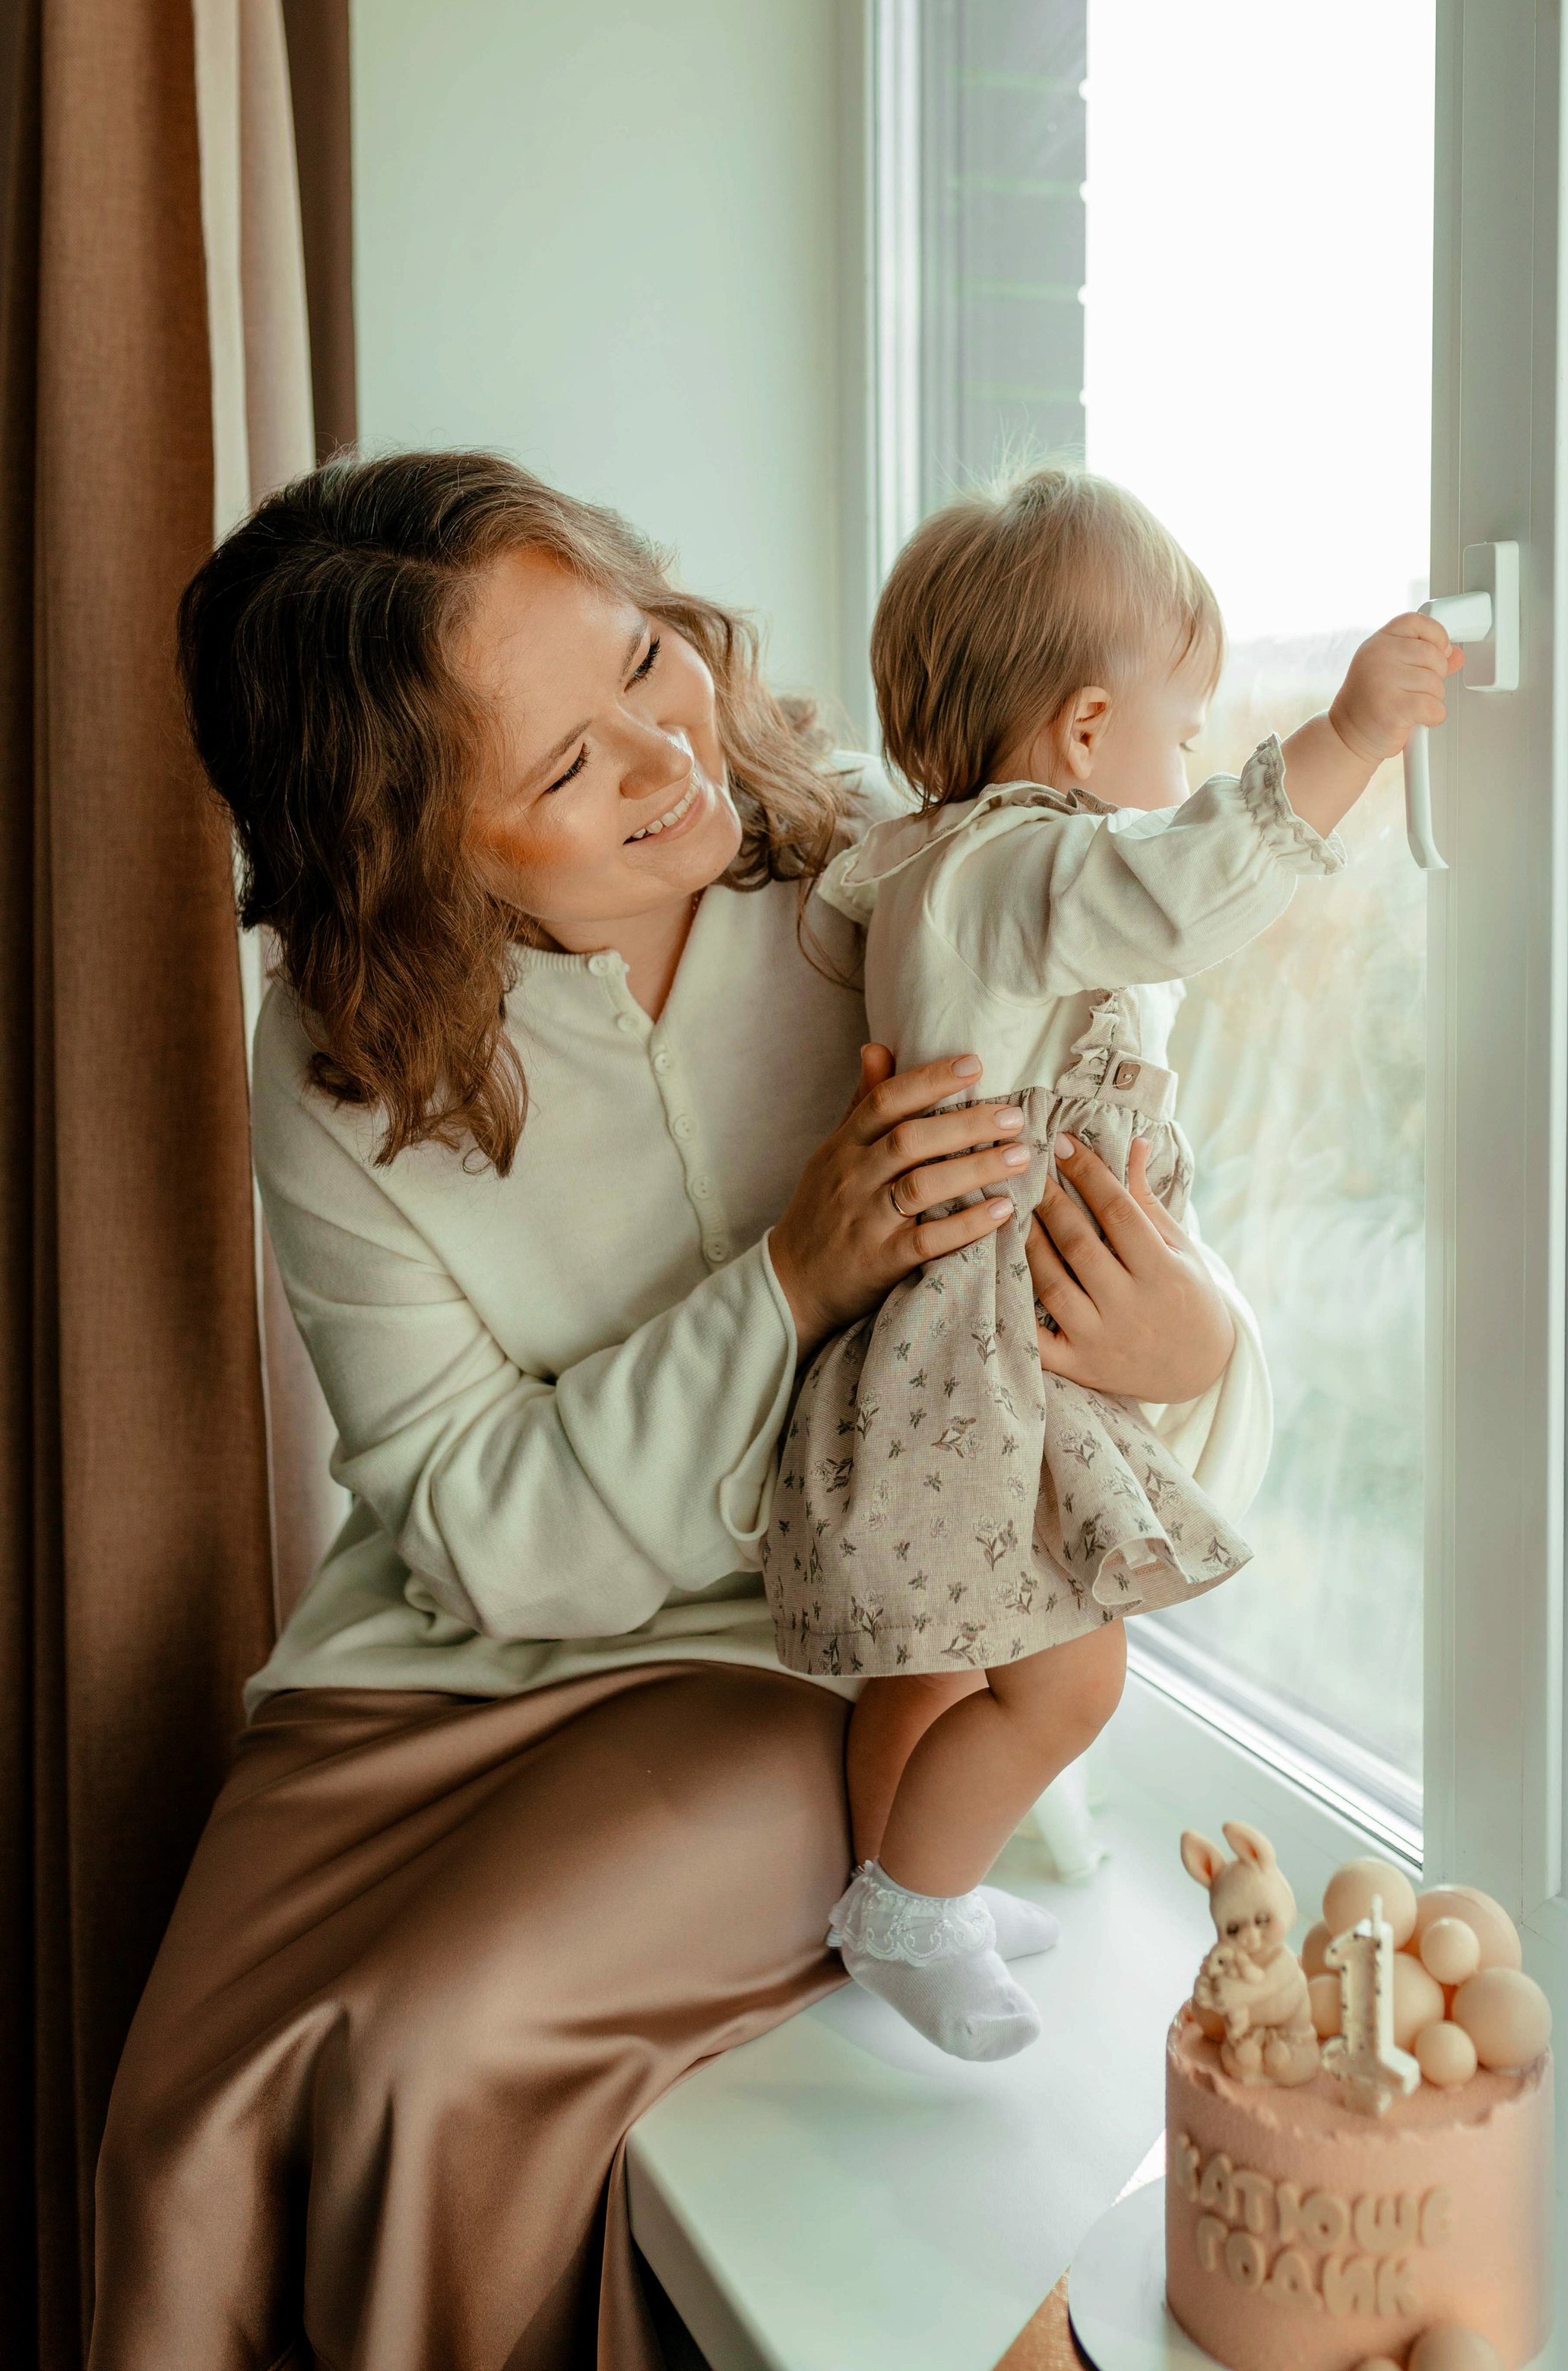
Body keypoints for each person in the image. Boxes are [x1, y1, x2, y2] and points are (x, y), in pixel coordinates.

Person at [87, 451, 1275, 2371]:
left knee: (431, 2058)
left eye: (652, 661)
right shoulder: (336, 1054)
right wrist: (790, 1280)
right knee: (186, 2133)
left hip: (805, 1660)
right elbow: (474, 1533)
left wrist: (1194, 1350)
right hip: (423, 1674)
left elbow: (1141, 1279)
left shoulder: (900, 892)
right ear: (403, 848)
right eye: (564, 769)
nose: (668, 761)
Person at [773, 467, 1456, 2068]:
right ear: (1083, 736)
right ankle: (906, 1907)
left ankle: (904, 1887)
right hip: (982, 1373)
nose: (1189, 767)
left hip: (935, 1353)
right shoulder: (1027, 869)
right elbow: (1170, 891)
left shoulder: (923, 868)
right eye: (1185, 728)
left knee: (934, 1667)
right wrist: (1344, 742)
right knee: (1069, 1680)